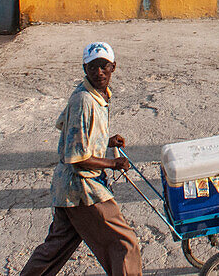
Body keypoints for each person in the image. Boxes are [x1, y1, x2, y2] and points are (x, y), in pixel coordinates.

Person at [19, 42, 143, 276]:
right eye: (92, 67)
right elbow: (76, 157)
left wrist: (106, 141)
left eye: (103, 66)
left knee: (54, 250)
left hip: (66, 189)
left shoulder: (96, 94)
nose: (99, 72)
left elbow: (77, 137)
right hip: (82, 188)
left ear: (113, 67)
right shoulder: (84, 101)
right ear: (84, 68)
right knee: (125, 244)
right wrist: (113, 163)